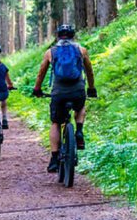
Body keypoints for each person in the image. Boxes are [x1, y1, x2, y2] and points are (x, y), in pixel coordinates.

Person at [32, 24, 97, 173]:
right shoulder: (81, 50)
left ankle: (54, 158)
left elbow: (41, 73)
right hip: (77, 90)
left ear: (58, 36)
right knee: (80, 107)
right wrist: (91, 88)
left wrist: (37, 89)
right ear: (73, 35)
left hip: (59, 92)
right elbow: (89, 71)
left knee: (56, 122)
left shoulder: (51, 52)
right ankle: (79, 131)